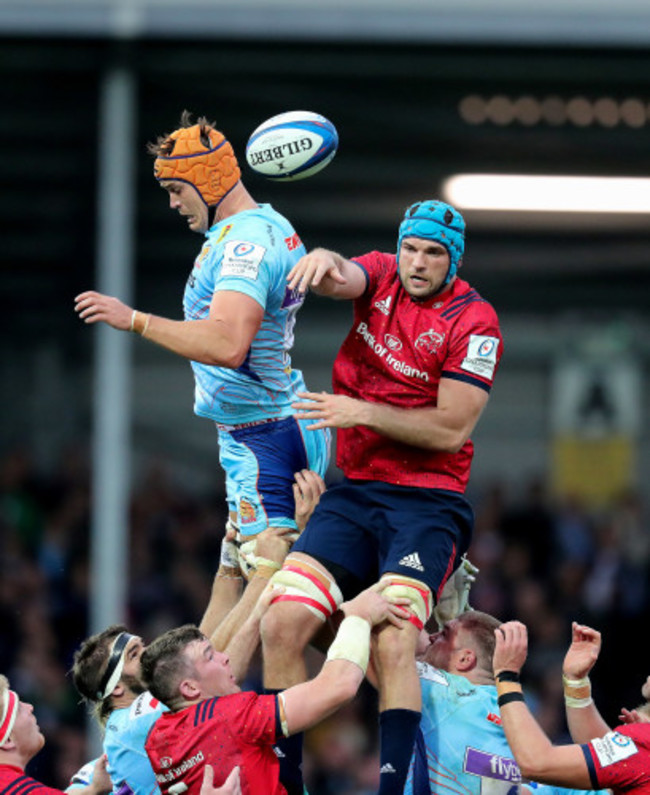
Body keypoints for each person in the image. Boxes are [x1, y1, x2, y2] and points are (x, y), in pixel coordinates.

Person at [261, 199, 503, 794]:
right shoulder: (383, 275)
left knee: (397, 636)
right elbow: (347, 274)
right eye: (411, 248)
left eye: (433, 254)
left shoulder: (475, 322)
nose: (417, 263)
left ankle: (397, 788)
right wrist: (321, 260)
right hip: (358, 490)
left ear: (454, 261)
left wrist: (359, 410)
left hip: (428, 500)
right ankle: (284, 783)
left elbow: (451, 428)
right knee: (282, 621)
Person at [73, 110, 330, 574]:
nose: (173, 204)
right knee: (241, 581)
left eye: (176, 190)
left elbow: (229, 343)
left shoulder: (245, 245)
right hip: (267, 423)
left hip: (264, 435)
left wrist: (135, 320)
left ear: (209, 180)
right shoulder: (260, 226)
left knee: (275, 606)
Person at [71, 529, 290, 795]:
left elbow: (203, 642)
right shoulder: (135, 721)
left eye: (143, 644)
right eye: (133, 654)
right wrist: (265, 576)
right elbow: (217, 662)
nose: (148, 651)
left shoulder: (124, 733)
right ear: (116, 689)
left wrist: (229, 561)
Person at [140, 586, 408, 795]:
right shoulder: (230, 717)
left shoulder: (156, 739)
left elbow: (213, 697)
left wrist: (257, 617)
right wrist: (359, 618)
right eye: (210, 656)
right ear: (188, 687)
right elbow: (339, 686)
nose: (224, 657)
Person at [492, 619, 650, 795]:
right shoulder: (640, 749)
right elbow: (611, 767)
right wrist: (576, 683)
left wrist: (506, 676)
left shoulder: (645, 743)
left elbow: (537, 763)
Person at [0, 674, 111, 795]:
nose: (30, 707)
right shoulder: (19, 789)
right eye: (18, 709)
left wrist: (92, 789)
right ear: (8, 740)